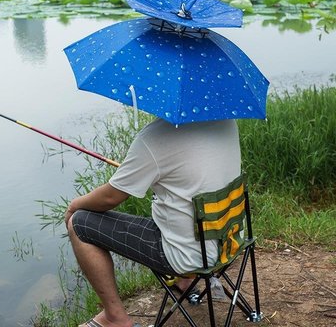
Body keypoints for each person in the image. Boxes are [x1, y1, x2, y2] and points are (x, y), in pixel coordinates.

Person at [65, 117, 241, 327]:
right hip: (229, 241)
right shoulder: (226, 121)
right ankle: (185, 281)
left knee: (80, 223)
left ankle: (115, 318)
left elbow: (110, 198)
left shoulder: (155, 136)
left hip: (187, 256)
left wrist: (74, 205)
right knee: (173, 211)